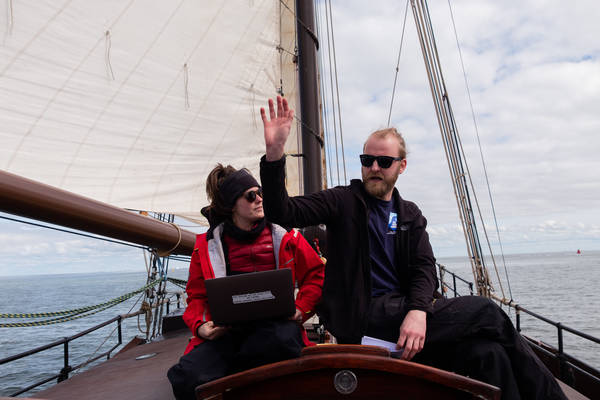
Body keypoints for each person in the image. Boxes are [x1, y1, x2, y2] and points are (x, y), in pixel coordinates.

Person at [258, 96, 567, 400]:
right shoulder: (342, 201)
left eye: (384, 161)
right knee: (486, 311)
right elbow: (282, 213)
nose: (374, 167)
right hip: (364, 314)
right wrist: (275, 155)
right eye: (367, 161)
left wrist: (418, 310)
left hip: (403, 311)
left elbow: (423, 268)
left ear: (401, 165)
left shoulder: (409, 214)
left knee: (489, 353)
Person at [167, 164, 325, 400]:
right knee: (187, 377)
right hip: (226, 334)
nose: (260, 199)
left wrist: (302, 309)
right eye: (251, 196)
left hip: (275, 329)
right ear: (232, 205)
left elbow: (316, 274)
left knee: (280, 344)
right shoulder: (206, 246)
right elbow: (197, 296)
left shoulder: (286, 236)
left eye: (259, 193)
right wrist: (201, 326)